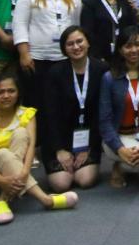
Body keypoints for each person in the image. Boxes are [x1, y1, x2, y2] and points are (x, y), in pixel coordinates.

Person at [0, 74, 78, 224]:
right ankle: (46, 200)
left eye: (11, 91)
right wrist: (1, 180)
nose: (6, 96)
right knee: (3, 153)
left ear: (18, 93)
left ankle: (2, 201)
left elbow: (30, 150)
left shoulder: (27, 114)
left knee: (21, 134)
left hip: (16, 178)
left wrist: (23, 174)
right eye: (0, 92)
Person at [38, 27, 104, 193]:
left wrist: (89, 148)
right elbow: (49, 115)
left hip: (89, 138)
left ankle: (83, 162)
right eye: (70, 44)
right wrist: (60, 149)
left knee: (85, 180)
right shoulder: (55, 73)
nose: (76, 47)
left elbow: (102, 113)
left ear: (88, 42)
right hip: (60, 138)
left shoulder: (101, 69)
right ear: (64, 49)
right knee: (61, 184)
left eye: (79, 41)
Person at [12, 0, 83, 110]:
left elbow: (76, 24)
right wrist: (24, 54)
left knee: (63, 103)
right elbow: (20, 24)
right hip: (37, 59)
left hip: (65, 57)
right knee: (38, 102)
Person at [99, 26, 139, 190]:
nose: (133, 50)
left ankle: (126, 166)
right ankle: (119, 165)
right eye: (128, 46)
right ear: (120, 50)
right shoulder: (109, 78)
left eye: (137, 44)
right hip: (119, 135)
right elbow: (105, 120)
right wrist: (120, 149)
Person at [80, 0, 139, 66]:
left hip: (124, 55)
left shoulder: (125, 1)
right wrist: (96, 56)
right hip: (100, 58)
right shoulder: (90, 3)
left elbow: (132, 28)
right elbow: (87, 33)